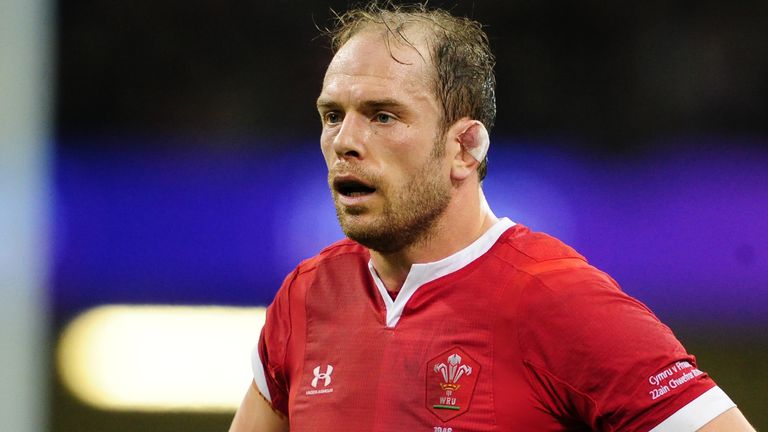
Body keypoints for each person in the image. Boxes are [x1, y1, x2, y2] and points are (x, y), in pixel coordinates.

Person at [230, 3, 756, 431]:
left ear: (465, 147)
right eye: (332, 116)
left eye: (383, 116)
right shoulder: (305, 298)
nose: (344, 141)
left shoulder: (558, 300)